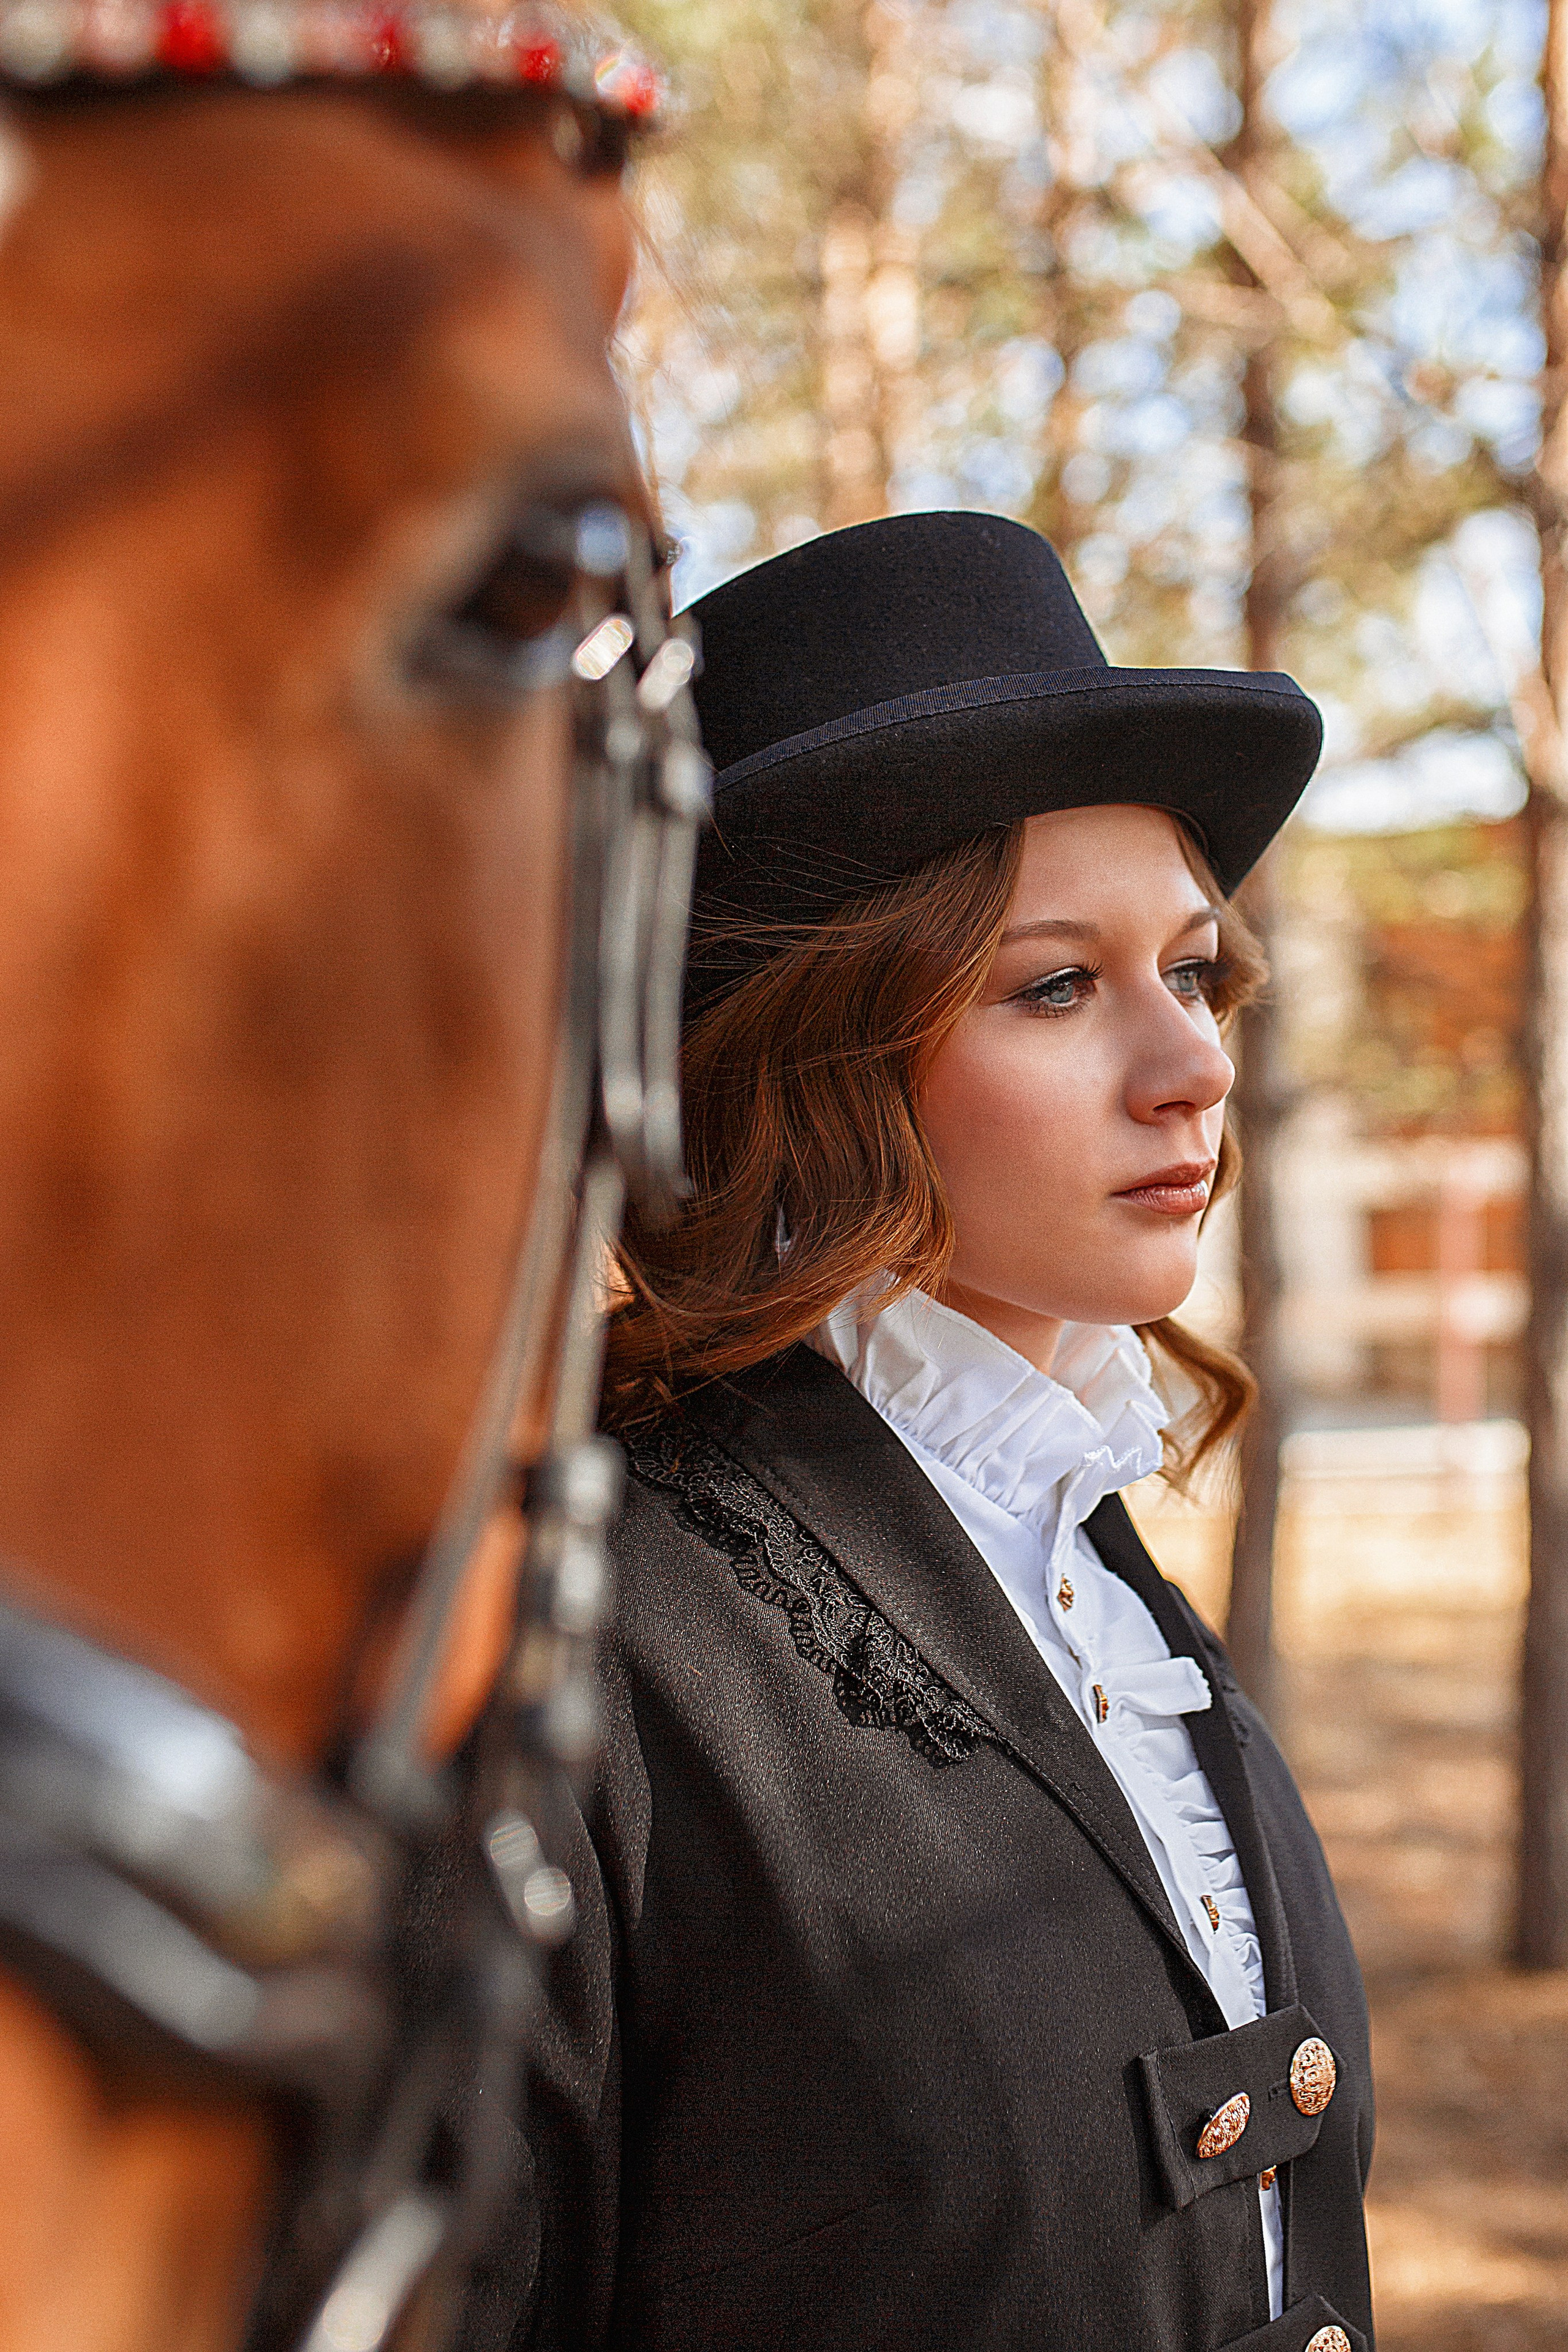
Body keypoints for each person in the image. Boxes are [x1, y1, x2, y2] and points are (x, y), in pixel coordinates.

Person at [484, 513, 1373, 2352]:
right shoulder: (582, 1634)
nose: (1195, 1065)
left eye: (1192, 971)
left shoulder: (1087, 1558)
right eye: (1056, 985)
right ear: (813, 1050)